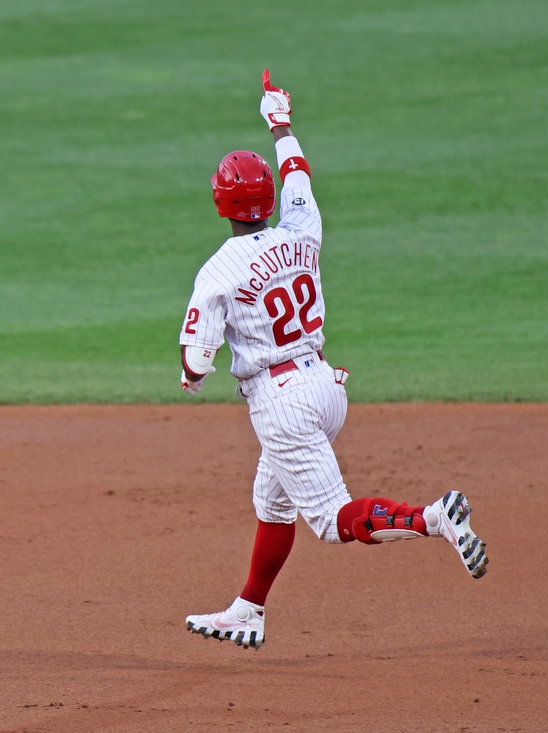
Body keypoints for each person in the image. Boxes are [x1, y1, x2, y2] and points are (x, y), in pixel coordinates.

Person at [178, 70, 487, 650]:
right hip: (325, 385)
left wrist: (193, 374)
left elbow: (196, 356)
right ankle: (249, 609)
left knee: (333, 521)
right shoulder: (302, 229)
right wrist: (281, 124)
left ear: (221, 203)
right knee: (271, 500)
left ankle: (433, 517)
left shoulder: (218, 267)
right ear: (265, 199)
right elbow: (297, 175)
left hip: (281, 404)